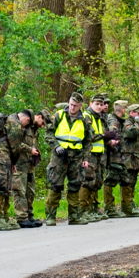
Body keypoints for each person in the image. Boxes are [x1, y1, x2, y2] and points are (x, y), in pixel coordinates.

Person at [44, 93, 88, 226]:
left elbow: (88, 140)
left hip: (76, 156)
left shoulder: (84, 119)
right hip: (59, 155)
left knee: (75, 184)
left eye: (76, 106)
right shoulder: (59, 115)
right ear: (68, 102)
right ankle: (50, 217)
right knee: (55, 184)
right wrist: (56, 146)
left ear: (80, 106)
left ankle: (74, 216)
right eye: (71, 104)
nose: (72, 108)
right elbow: (48, 133)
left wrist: (85, 157)